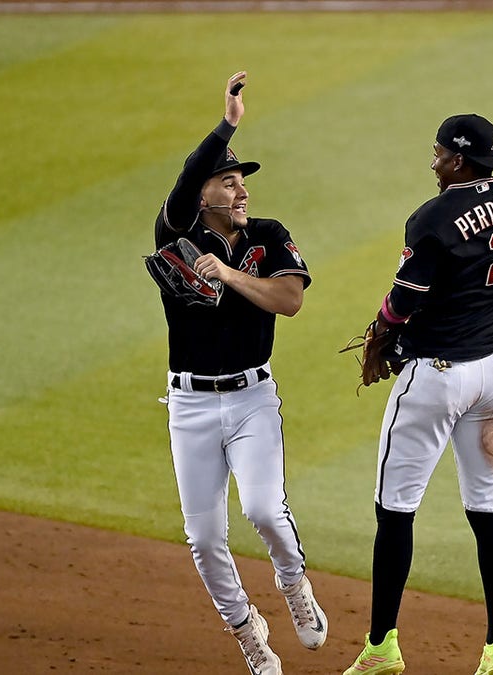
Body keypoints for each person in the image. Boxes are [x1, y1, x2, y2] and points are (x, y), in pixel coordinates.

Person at [342, 26, 493, 675]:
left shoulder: (431, 219)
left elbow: (402, 301)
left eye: (438, 153)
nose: (432, 162)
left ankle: (381, 647)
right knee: (489, 511)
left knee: (393, 510)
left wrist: (378, 336)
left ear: (459, 159)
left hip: (438, 376)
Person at [154, 72, 325, 675]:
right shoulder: (175, 236)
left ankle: (293, 582)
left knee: (263, 510)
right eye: (227, 182)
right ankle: (247, 629)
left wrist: (228, 277)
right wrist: (227, 123)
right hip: (190, 406)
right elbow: (182, 179)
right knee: (202, 538)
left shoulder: (268, 238)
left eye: (242, 181)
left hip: (253, 398)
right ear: (203, 196)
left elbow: (290, 300)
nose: (240, 190)